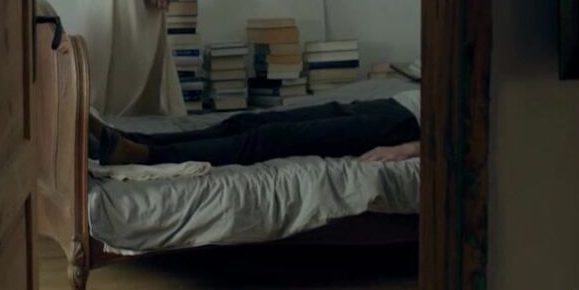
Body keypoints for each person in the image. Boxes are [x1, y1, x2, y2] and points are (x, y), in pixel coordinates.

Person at [89, 89, 423, 166]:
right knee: (245, 121)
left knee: (269, 139)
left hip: (407, 127)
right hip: (398, 103)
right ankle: (129, 139)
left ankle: (145, 155)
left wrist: (414, 148)